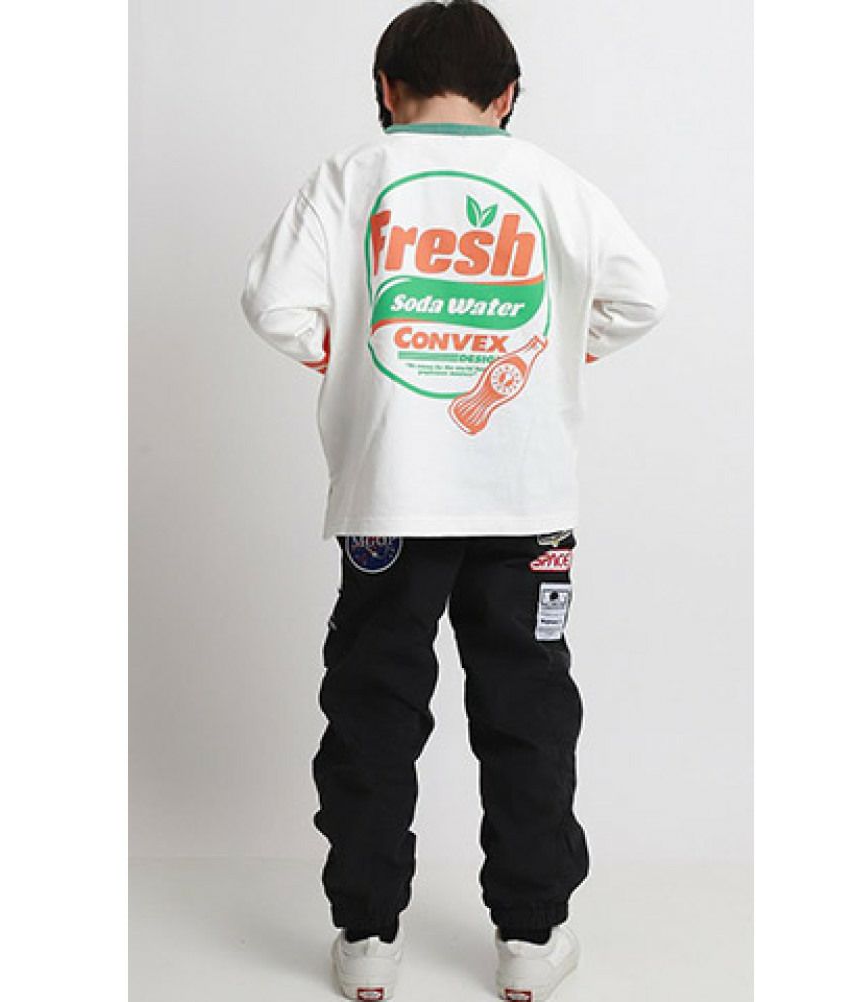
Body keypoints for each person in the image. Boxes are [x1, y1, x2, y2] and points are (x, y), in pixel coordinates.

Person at [240, 2, 668, 998]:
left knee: (374, 713)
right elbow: (642, 296)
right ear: (507, 95)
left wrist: (353, 361)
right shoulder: (555, 183)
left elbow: (274, 304)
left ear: (386, 89)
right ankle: (530, 940)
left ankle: (367, 940)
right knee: (528, 712)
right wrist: (555, 351)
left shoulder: (351, 174)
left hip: (391, 499)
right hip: (526, 502)